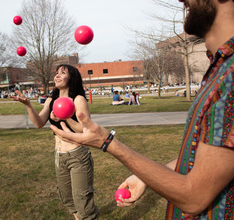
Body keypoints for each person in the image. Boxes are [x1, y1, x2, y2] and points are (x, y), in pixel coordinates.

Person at [50, 0, 234, 219]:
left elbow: (194, 196)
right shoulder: (220, 69)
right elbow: (210, 159)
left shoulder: (230, 77)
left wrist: (108, 142)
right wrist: (146, 177)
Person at [11, 64, 99, 220]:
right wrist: (28, 105)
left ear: (72, 78)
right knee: (68, 200)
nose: (57, 76)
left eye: (63, 73)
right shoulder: (51, 100)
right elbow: (39, 123)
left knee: (83, 201)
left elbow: (87, 130)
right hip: (60, 157)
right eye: (56, 73)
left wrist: (66, 118)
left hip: (77, 156)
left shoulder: (78, 100)